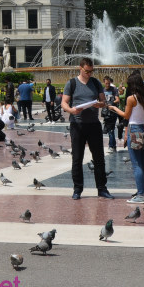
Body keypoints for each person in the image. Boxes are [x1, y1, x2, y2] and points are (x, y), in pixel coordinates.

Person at [61, 58, 113, 200]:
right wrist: (71, 110)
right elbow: (64, 103)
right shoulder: (71, 83)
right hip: (77, 124)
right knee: (77, 158)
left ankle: (102, 188)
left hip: (94, 124)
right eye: (87, 71)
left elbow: (104, 101)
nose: (89, 74)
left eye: (91, 71)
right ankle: (77, 189)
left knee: (99, 158)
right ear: (80, 68)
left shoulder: (96, 83)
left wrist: (100, 104)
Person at [107, 70, 144, 204]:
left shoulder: (131, 98)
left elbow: (126, 116)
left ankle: (140, 195)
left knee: (136, 165)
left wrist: (114, 108)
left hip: (134, 130)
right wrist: (143, 118)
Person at [101, 76, 119, 152]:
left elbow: (117, 100)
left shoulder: (114, 89)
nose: (107, 85)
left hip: (113, 112)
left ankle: (111, 146)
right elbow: (101, 100)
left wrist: (111, 103)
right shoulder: (102, 90)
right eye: (106, 83)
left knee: (111, 129)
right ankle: (113, 146)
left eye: (108, 83)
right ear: (104, 82)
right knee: (109, 129)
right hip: (106, 112)